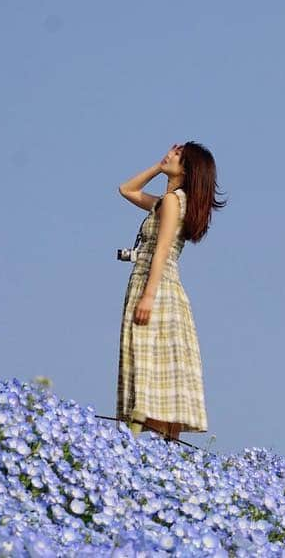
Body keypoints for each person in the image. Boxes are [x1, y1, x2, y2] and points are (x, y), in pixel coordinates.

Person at [116, 142, 226, 441]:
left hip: (156, 287)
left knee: (149, 368)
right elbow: (127, 189)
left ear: (187, 169)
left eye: (178, 155)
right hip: (163, 287)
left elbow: (161, 251)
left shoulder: (173, 202)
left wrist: (148, 297)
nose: (170, 154)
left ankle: (144, 446)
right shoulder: (170, 201)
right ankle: (162, 451)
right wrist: (159, 167)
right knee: (161, 373)